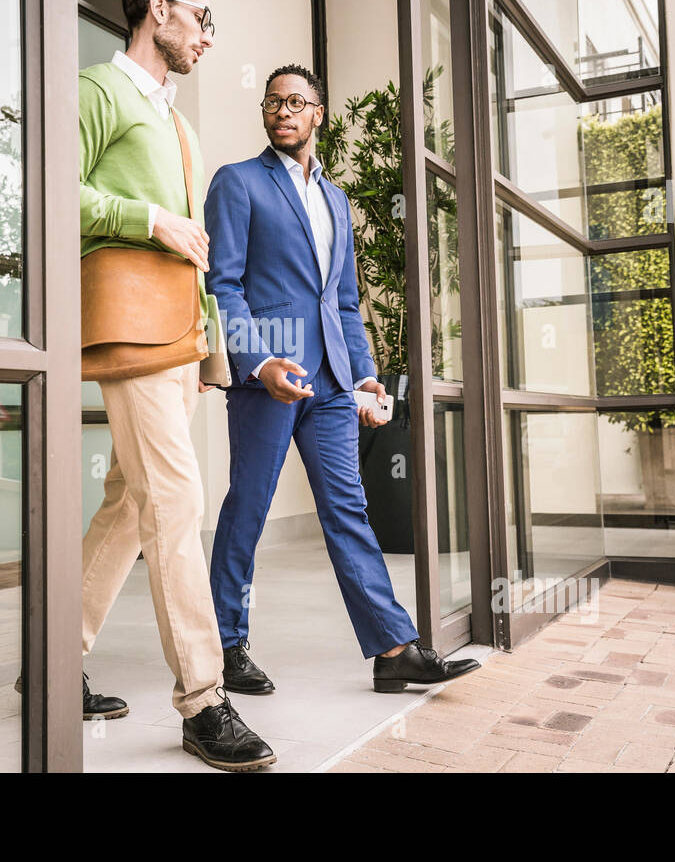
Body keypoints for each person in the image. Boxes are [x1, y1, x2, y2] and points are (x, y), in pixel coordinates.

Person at [204, 64, 483, 695]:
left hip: (330, 383)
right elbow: (222, 285)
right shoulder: (239, 183)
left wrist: (365, 375)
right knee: (248, 509)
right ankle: (226, 643)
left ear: (317, 114)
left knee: (348, 510)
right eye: (273, 102)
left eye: (296, 102)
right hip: (270, 380)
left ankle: (392, 648)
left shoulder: (336, 200)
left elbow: (346, 302)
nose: (283, 111)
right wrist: (258, 362)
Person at [75, 0, 274, 771]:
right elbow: (46, 189)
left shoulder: (181, 125)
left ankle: (55, 657)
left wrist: (210, 347)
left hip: (177, 336)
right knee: (176, 498)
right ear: (156, 12)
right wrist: (146, 217)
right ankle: (203, 699)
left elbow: (199, 252)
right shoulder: (99, 90)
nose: (207, 36)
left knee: (129, 502)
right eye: (199, 18)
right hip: (127, 325)